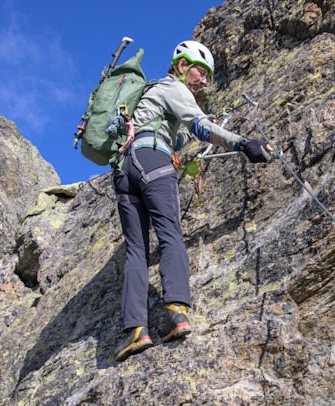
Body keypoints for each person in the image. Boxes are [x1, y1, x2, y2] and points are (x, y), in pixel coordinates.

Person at [112, 40, 273, 362]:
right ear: (182, 66)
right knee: (170, 234)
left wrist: (210, 122)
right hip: (153, 160)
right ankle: (176, 312)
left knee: (136, 251)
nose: (205, 81)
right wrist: (243, 143)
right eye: (201, 72)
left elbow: (178, 134)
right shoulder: (173, 87)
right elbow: (199, 127)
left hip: (123, 168)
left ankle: (136, 331)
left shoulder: (150, 95)